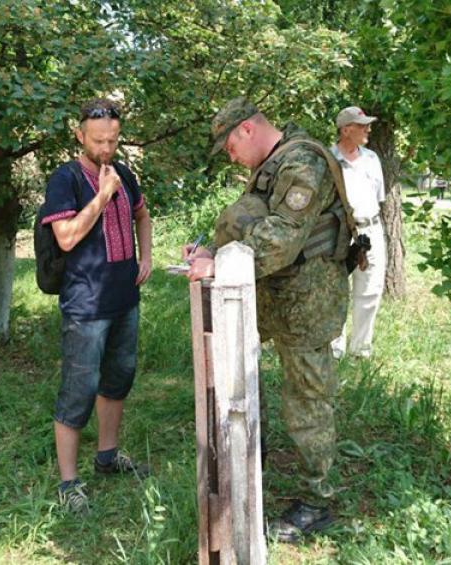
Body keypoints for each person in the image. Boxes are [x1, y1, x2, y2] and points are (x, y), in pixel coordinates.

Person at [183, 97, 349, 543]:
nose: (231, 157)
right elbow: (251, 225)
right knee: (250, 386)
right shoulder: (273, 164)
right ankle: (252, 467)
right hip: (275, 296)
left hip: (309, 301)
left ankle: (316, 501)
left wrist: (220, 264)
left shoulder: (302, 163)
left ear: (247, 129)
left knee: (307, 399)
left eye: (230, 147)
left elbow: (281, 237)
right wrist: (212, 252)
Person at [42, 98, 153, 514]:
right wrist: (103, 196)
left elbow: (142, 214)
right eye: (98, 140)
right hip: (86, 305)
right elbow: (67, 237)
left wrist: (146, 256)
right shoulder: (65, 179)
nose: (106, 148)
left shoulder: (124, 173)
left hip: (124, 299)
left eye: (113, 140)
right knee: (78, 391)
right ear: (80, 135)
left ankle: (107, 456)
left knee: (118, 379)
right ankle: (69, 483)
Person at [329, 106, 386, 360]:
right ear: (345, 130)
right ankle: (334, 349)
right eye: (362, 126)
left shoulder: (372, 159)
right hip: (339, 231)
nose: (368, 130)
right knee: (336, 288)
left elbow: (378, 197)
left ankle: (360, 350)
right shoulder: (328, 160)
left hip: (371, 229)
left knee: (370, 290)